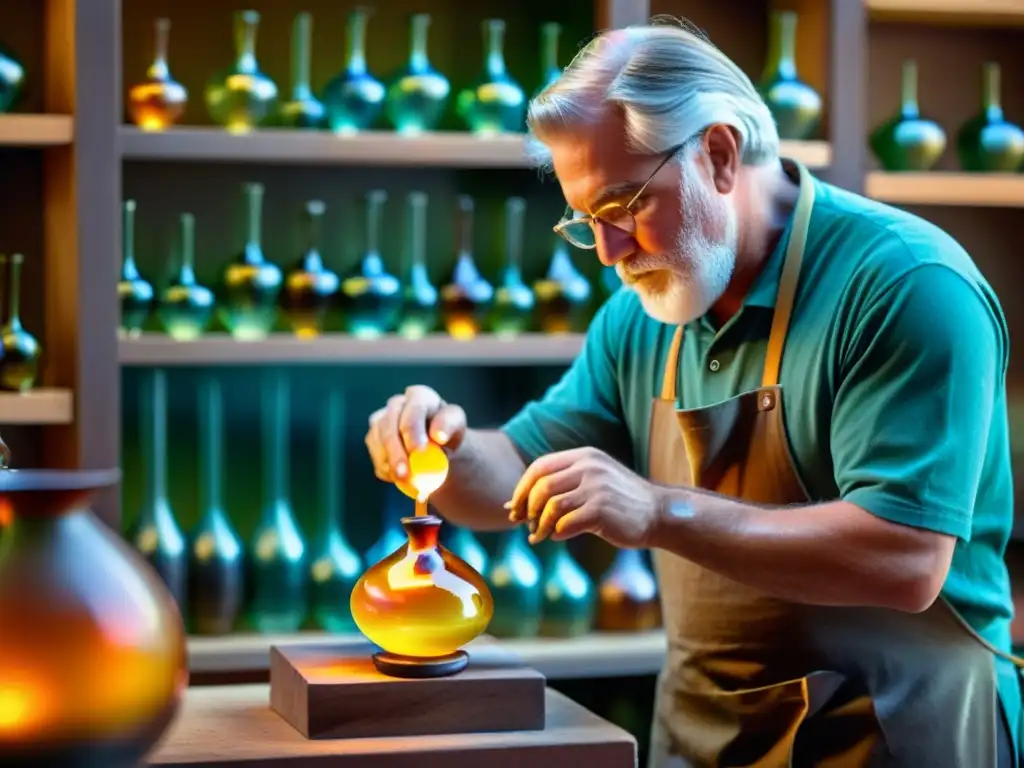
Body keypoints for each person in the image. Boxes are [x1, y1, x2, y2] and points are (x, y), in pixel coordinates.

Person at [365, 19, 1021, 768]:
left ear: (717, 153)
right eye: (585, 222)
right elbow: (509, 474)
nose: (607, 254)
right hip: (704, 741)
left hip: (898, 738)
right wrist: (444, 446)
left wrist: (657, 509)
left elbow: (902, 560)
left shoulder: (906, 285)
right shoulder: (644, 315)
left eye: (623, 206)